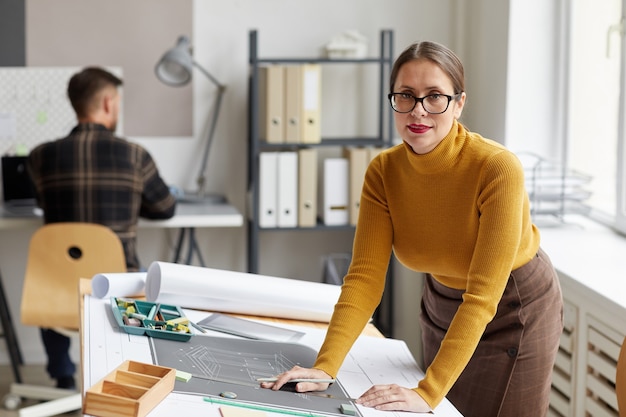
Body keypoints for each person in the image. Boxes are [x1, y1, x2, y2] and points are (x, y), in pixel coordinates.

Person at [261, 41, 564, 416]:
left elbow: (484, 295)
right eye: (406, 95)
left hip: (511, 305)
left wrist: (427, 391)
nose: (418, 110)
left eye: (435, 96)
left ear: (459, 103)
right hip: (441, 300)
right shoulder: (383, 171)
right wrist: (325, 367)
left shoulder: (496, 168)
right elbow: (364, 278)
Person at [27, 67, 177, 390]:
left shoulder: (40, 157)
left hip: (56, 291)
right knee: (144, 277)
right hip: (116, 289)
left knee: (56, 277)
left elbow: (41, 200)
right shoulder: (135, 156)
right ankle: (120, 370)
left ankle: (63, 375)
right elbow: (165, 209)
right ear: (108, 103)